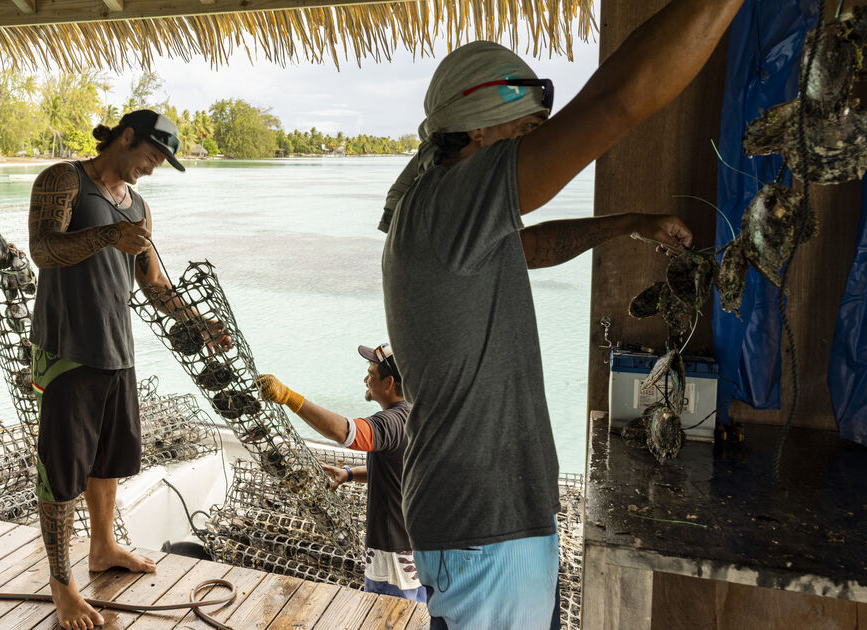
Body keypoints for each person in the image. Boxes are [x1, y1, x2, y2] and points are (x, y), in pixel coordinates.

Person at [378, 2, 746, 627]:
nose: (535, 148)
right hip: (484, 524)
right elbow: (615, 103)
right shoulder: (448, 199)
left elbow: (528, 248)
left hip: (481, 518)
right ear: (480, 128)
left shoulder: (439, 213)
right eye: (526, 133)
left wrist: (625, 224)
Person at [27, 109, 231, 630]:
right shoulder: (62, 180)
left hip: (117, 351)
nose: (153, 167)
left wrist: (197, 321)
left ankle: (102, 548)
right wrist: (106, 237)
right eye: (151, 155)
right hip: (67, 350)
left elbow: (152, 283)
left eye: (162, 161)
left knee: (107, 461)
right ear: (124, 137)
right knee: (61, 472)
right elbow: (43, 250)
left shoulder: (137, 206)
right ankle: (62, 586)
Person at [257, 343, 425, 602]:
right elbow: (401, 470)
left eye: (371, 373)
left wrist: (289, 397)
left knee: (386, 619)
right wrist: (349, 473)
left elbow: (345, 432)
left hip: (392, 560)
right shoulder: (417, 414)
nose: (366, 379)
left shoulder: (390, 421)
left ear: (389, 383)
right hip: (416, 551)